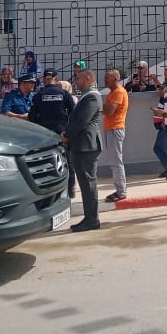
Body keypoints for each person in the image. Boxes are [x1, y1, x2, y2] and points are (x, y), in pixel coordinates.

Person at [65, 68, 103, 232]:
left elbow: (82, 121)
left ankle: (92, 219)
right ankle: (89, 218)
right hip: (83, 145)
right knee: (86, 183)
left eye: (79, 78)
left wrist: (67, 136)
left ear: (88, 79)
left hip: (87, 146)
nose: (76, 81)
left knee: (88, 183)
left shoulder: (92, 97)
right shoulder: (87, 96)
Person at [28, 69, 77, 196]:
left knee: (46, 161)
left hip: (45, 134)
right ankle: (70, 189)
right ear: (56, 78)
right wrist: (68, 130)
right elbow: (74, 114)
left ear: (44, 79)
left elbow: (32, 117)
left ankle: (50, 190)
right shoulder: (64, 93)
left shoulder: (39, 95)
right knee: (67, 161)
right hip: (62, 133)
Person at [99, 69, 128, 203]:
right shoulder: (112, 93)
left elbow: (109, 111)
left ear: (116, 78)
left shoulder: (118, 92)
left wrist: (105, 107)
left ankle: (121, 191)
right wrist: (105, 107)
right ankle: (120, 190)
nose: (105, 80)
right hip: (111, 129)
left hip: (115, 129)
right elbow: (105, 109)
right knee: (114, 162)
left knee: (116, 162)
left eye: (108, 78)